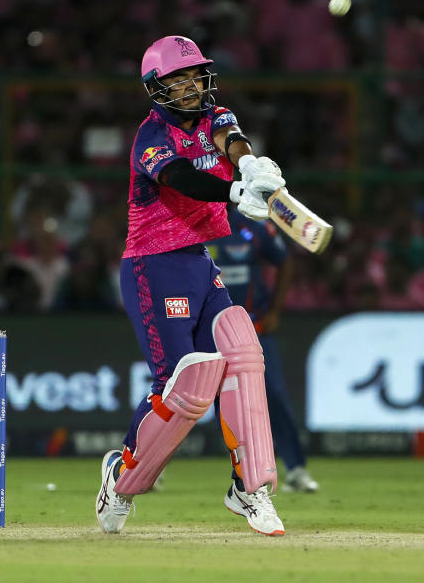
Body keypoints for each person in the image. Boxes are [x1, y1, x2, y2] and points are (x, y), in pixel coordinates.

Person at [95, 35, 289, 536]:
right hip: (153, 265)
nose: (188, 88)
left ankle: (250, 488)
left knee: (243, 355)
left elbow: (232, 139)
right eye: (176, 81)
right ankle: (121, 479)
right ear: (156, 89)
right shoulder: (150, 137)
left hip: (199, 262)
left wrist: (249, 165)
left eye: (194, 77)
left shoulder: (216, 117)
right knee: (184, 386)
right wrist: (232, 189)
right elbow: (181, 177)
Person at [208, 207, 319, 493]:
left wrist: (275, 312)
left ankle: (295, 469)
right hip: (204, 331)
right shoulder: (192, 221)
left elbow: (284, 261)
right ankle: (149, 469)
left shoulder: (252, 225)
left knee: (275, 395)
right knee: (182, 399)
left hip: (252, 329)